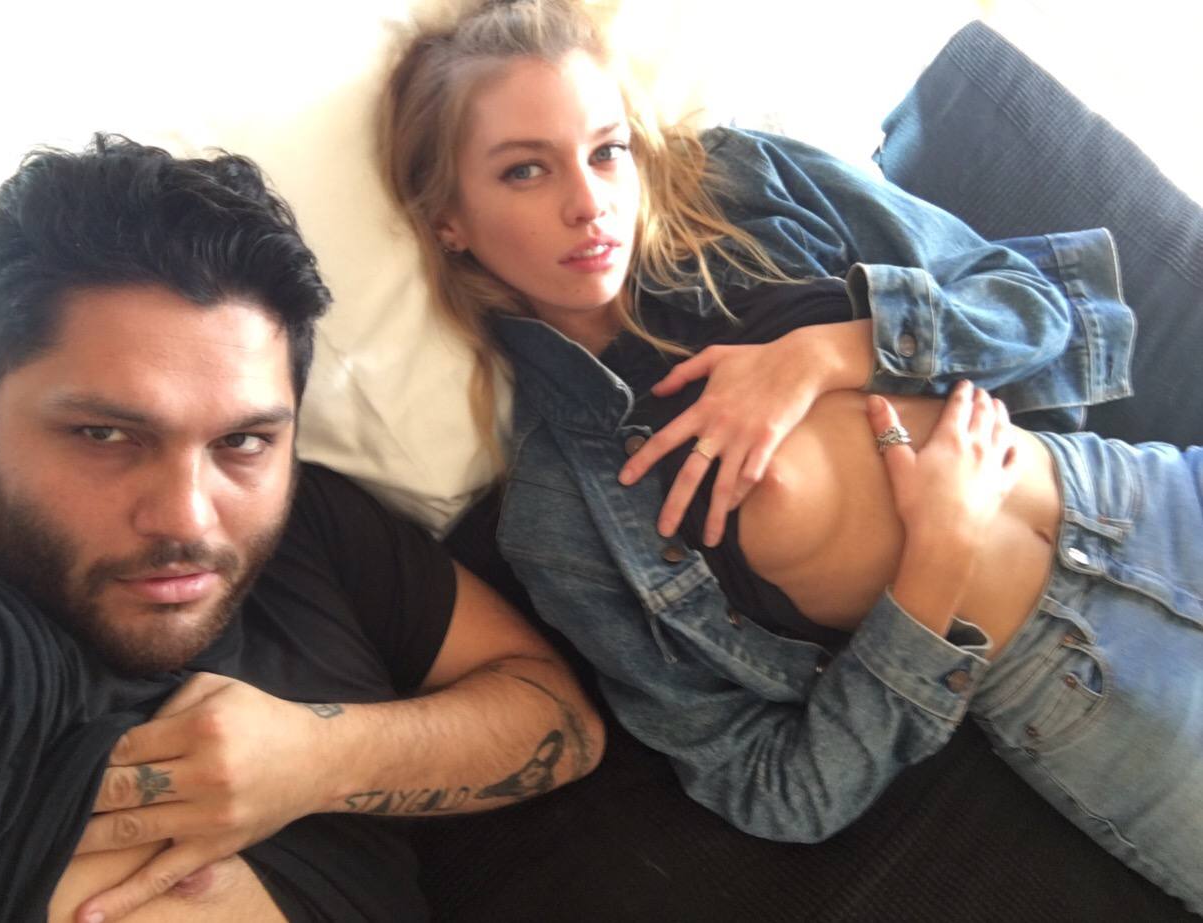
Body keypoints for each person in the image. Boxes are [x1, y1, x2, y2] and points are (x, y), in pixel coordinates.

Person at [376, 0, 1201, 913]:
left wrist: (830, 351)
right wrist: (935, 561)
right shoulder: (562, 509)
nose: (588, 201)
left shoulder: (746, 184)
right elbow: (771, 786)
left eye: (607, 150)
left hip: (1150, 493)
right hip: (1078, 685)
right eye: (525, 170)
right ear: (449, 220)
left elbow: (1038, 304)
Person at [0, 133, 604, 923]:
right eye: (105, 434)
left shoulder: (313, 523)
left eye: (242, 440)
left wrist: (315, 757)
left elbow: (559, 716)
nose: (187, 518)